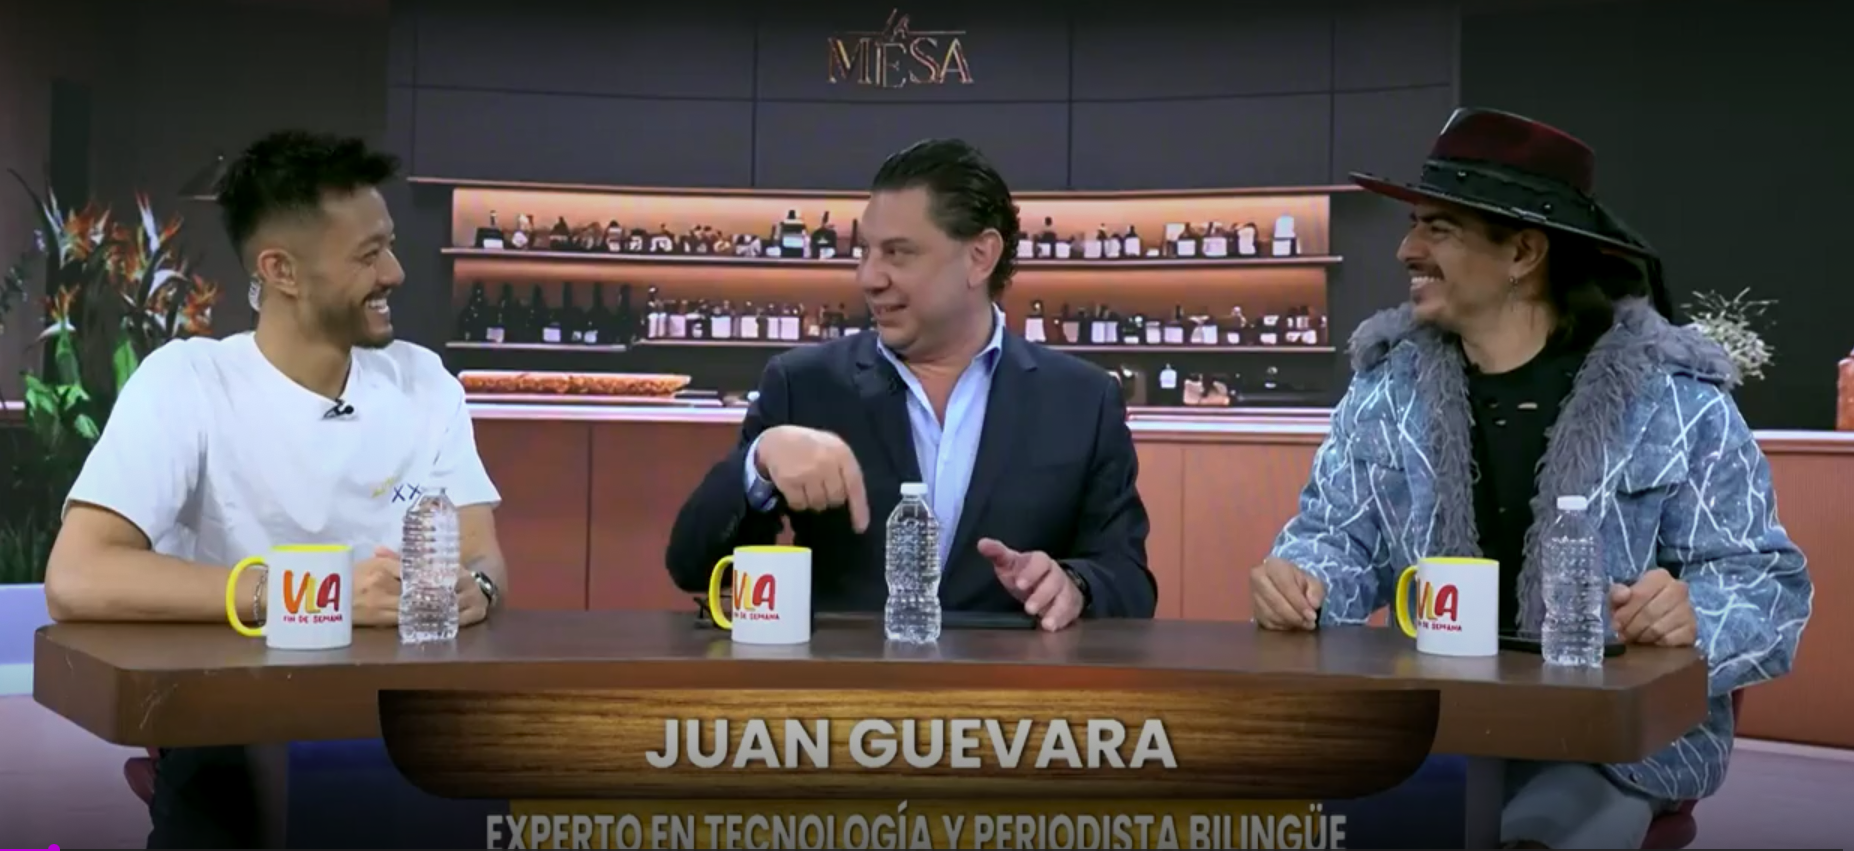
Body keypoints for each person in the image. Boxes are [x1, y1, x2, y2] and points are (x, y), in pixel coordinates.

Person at [1251, 108, 1812, 849]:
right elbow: (1335, 539)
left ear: (1523, 250)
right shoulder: (1384, 394)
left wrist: (1693, 617)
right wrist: (1304, 583)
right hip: (1437, 723)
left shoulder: (1675, 401)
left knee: (1541, 829)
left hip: (1610, 750)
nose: (1405, 248)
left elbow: (1767, 583)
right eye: (1415, 223)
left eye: (1438, 228)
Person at [43, 129, 507, 848]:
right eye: (367, 254)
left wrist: (479, 586)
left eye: (389, 244)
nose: (395, 272)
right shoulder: (189, 380)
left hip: (401, 731)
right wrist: (313, 597)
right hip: (231, 732)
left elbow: (483, 552)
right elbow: (78, 575)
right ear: (281, 270)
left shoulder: (425, 383)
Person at [666, 138, 1155, 628]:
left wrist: (1076, 585)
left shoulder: (1083, 401)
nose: (868, 277)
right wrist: (760, 466)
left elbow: (1129, 580)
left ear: (980, 256)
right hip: (840, 695)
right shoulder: (803, 385)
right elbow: (691, 565)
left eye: (898, 253)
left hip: (1013, 697)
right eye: (866, 251)